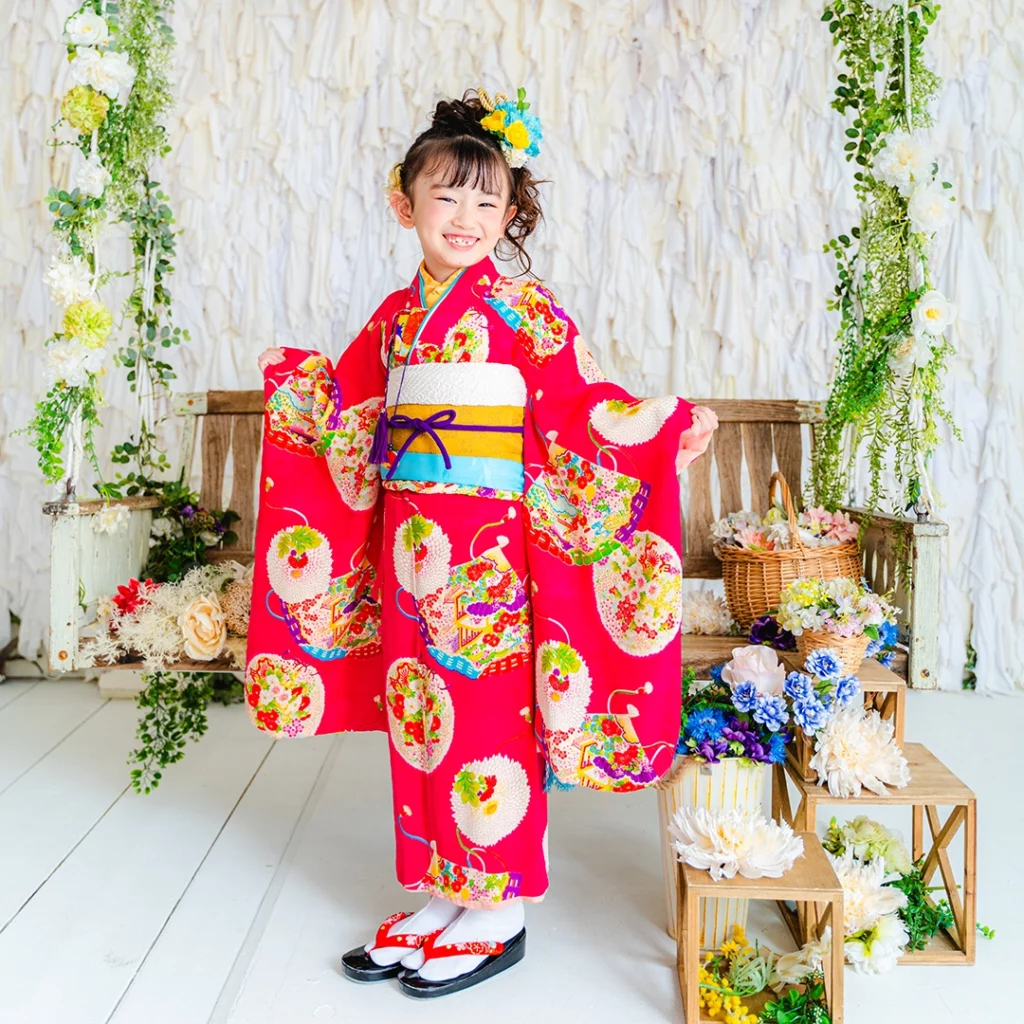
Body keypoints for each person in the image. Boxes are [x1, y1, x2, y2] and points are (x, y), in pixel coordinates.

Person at [251, 87, 717, 999]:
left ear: (509, 214)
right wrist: (298, 393)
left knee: (489, 719)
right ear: (405, 204)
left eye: (485, 200)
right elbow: (349, 411)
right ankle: (442, 891)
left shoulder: (522, 307)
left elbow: (581, 404)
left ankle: (499, 910)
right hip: (409, 548)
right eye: (445, 196)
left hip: (489, 557)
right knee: (420, 716)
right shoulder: (398, 315)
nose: (465, 217)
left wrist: (655, 429)